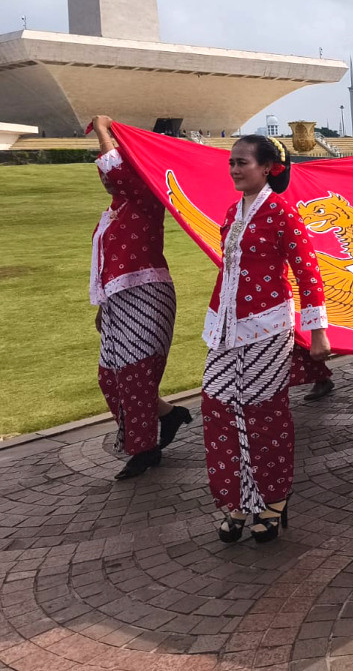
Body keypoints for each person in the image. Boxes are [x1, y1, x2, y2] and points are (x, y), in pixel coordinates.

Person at [201, 135, 330, 544]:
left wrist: (318, 332)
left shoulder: (281, 214)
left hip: (267, 328)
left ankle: (272, 500)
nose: (235, 170)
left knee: (263, 413)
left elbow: (308, 272)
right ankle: (239, 499)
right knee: (218, 404)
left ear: (267, 167)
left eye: (242, 162)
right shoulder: (232, 211)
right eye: (232, 163)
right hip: (226, 328)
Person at [89, 116, 191, 480]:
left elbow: (114, 170)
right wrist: (105, 307)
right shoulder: (116, 208)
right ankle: (167, 415)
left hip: (146, 295)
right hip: (119, 300)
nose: (103, 176)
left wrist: (104, 129)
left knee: (134, 375)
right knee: (110, 377)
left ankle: (145, 449)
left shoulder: (146, 194)